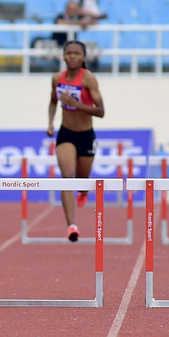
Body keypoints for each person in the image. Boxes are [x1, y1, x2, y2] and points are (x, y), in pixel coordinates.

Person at [46, 40, 105, 242]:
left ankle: (83, 192)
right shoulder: (56, 78)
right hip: (66, 134)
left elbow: (101, 111)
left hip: (86, 135)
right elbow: (53, 101)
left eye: (77, 53)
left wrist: (76, 104)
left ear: (83, 57)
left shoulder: (88, 79)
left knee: (81, 181)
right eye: (69, 52)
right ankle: (72, 225)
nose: (72, 56)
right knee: (67, 176)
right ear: (63, 56)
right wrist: (50, 123)